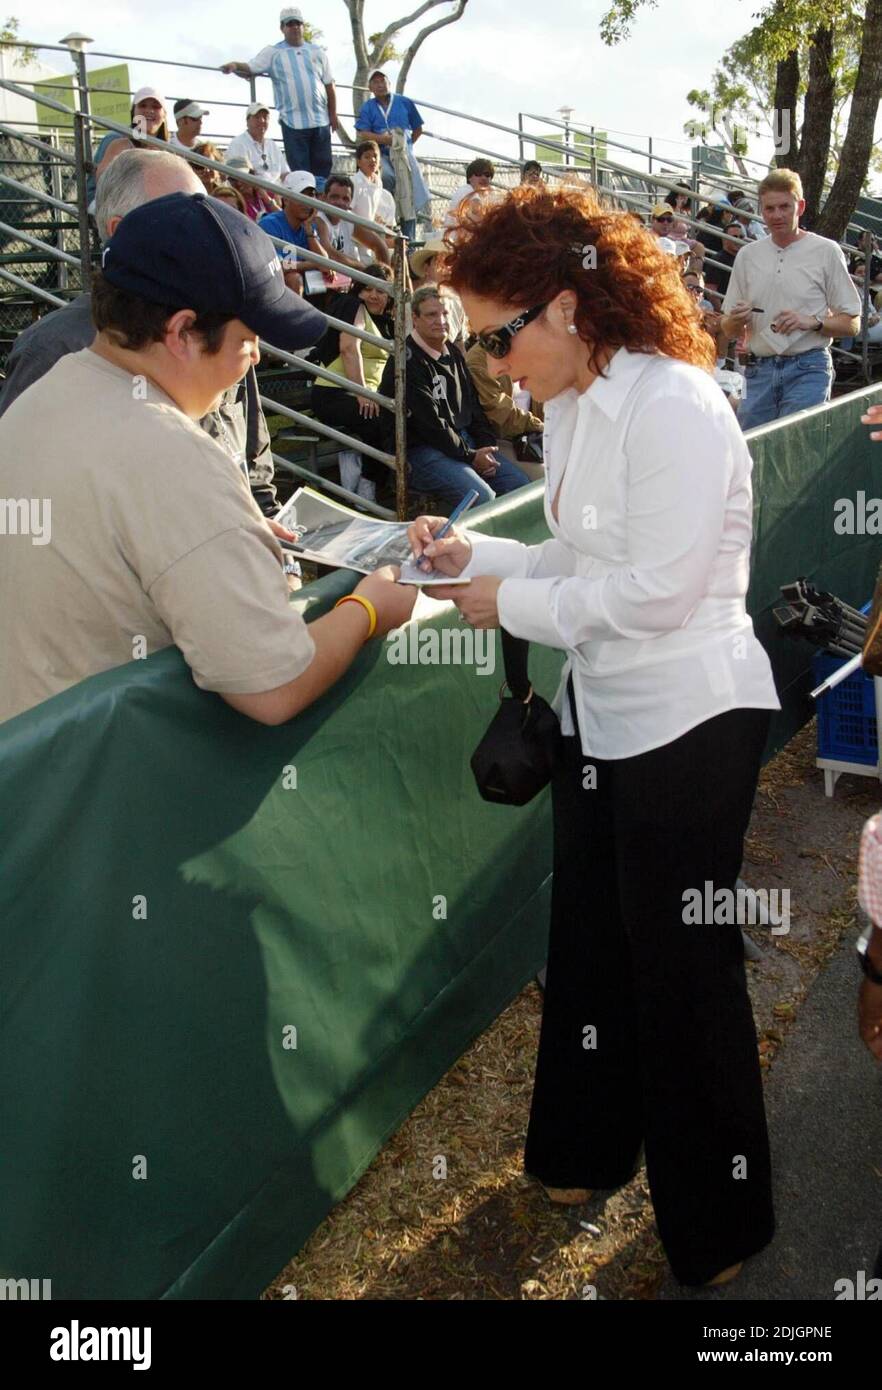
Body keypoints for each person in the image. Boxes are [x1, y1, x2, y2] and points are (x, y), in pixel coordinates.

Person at [407, 181, 781, 1288]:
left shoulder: (673, 403)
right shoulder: (575, 403)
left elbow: (659, 592)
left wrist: (507, 604)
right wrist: (472, 562)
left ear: (566, 307)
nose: (492, 366)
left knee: (685, 976)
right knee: (591, 949)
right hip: (605, 716)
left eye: (499, 337)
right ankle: (586, 1148)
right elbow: (578, 565)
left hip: (690, 722)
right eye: (480, 343)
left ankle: (722, 1224)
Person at [0, 192, 415, 729]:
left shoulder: (44, 391)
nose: (256, 357)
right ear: (180, 332)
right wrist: (370, 609)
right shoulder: (172, 454)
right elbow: (275, 686)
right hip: (101, 790)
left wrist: (219, 534)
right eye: (247, 338)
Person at [0, 150, 283, 518]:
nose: (207, 232)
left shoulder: (223, 327)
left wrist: (269, 542)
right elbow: (25, 508)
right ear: (122, 232)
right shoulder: (53, 350)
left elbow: (252, 461)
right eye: (183, 217)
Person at [721, 168, 861, 430]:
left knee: (799, 448)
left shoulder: (826, 251)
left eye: (785, 206)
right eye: (769, 208)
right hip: (756, 370)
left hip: (808, 366)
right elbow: (728, 329)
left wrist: (813, 322)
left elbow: (853, 323)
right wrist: (735, 320)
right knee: (754, 453)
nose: (777, 215)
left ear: (801, 206)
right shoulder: (747, 256)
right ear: (761, 211)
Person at [380, 285, 530, 507]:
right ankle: (457, 541)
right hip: (421, 450)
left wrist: (486, 448)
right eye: (431, 314)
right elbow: (429, 424)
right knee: (481, 497)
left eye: (444, 314)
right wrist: (471, 456)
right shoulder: (406, 361)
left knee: (519, 485)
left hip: (461, 441)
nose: (440, 320)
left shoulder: (453, 353)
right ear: (415, 318)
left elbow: (474, 408)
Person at [221, 7, 337, 185]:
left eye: (298, 23)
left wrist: (333, 114)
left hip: (320, 121)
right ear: (282, 27)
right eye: (290, 24)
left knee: (322, 172)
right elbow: (252, 67)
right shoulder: (273, 52)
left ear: (303, 26)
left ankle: (321, 210)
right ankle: (305, 208)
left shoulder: (317, 52)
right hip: (293, 122)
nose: (295, 27)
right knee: (300, 174)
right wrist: (235, 65)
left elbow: (329, 84)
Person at [311, 264, 394, 500]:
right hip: (335, 393)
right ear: (357, 290)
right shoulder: (352, 305)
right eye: (367, 289)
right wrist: (362, 393)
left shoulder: (386, 322)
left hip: (361, 395)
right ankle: (367, 490)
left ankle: (365, 481)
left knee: (396, 418)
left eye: (380, 290)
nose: (374, 295)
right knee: (381, 420)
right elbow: (349, 348)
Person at [86, 87, 169, 205]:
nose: (149, 110)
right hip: (112, 203)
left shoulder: (169, 151)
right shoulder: (118, 141)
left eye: (156, 107)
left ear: (164, 115)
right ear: (133, 112)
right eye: (143, 105)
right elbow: (102, 182)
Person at [258, 170, 333, 292]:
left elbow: (325, 262)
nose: (307, 202)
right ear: (286, 199)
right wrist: (314, 264)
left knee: (331, 278)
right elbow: (277, 266)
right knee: (294, 279)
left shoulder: (308, 224)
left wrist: (309, 232)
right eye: (301, 196)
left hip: (303, 289)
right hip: (270, 288)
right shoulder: (269, 224)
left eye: (311, 195)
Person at [354, 69, 423, 194]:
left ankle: (411, 213)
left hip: (404, 153)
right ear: (370, 88)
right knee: (387, 176)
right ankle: (387, 209)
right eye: (375, 82)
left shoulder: (404, 102)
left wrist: (404, 143)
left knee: (414, 179)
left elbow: (418, 129)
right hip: (381, 154)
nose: (380, 85)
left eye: (383, 81)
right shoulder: (367, 107)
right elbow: (363, 133)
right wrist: (385, 140)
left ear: (389, 84)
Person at [317, 174, 390, 269]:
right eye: (334, 197)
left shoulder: (348, 217)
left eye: (345, 199)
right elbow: (330, 255)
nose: (340, 202)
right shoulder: (319, 218)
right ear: (324, 198)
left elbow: (379, 245)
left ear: (351, 202)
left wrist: (385, 276)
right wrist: (362, 269)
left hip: (344, 276)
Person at [351, 141, 397, 261]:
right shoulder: (354, 182)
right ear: (358, 162)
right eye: (367, 156)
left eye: (375, 156)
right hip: (356, 240)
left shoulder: (378, 183)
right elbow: (347, 215)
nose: (372, 160)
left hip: (373, 240)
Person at [225, 100, 288, 181]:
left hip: (276, 191)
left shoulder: (273, 145)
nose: (262, 121)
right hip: (252, 191)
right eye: (257, 117)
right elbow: (241, 179)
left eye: (265, 117)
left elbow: (285, 174)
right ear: (247, 121)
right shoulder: (238, 144)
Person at [444, 158, 497, 229]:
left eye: (487, 175)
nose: (483, 178)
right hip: (457, 238)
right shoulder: (465, 190)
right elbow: (477, 212)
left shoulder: (490, 193)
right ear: (469, 178)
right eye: (478, 174)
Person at [226, 156, 279, 221]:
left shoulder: (271, 194)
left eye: (241, 177)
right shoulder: (233, 202)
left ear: (252, 174)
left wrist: (266, 198)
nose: (238, 183)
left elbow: (284, 220)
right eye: (233, 179)